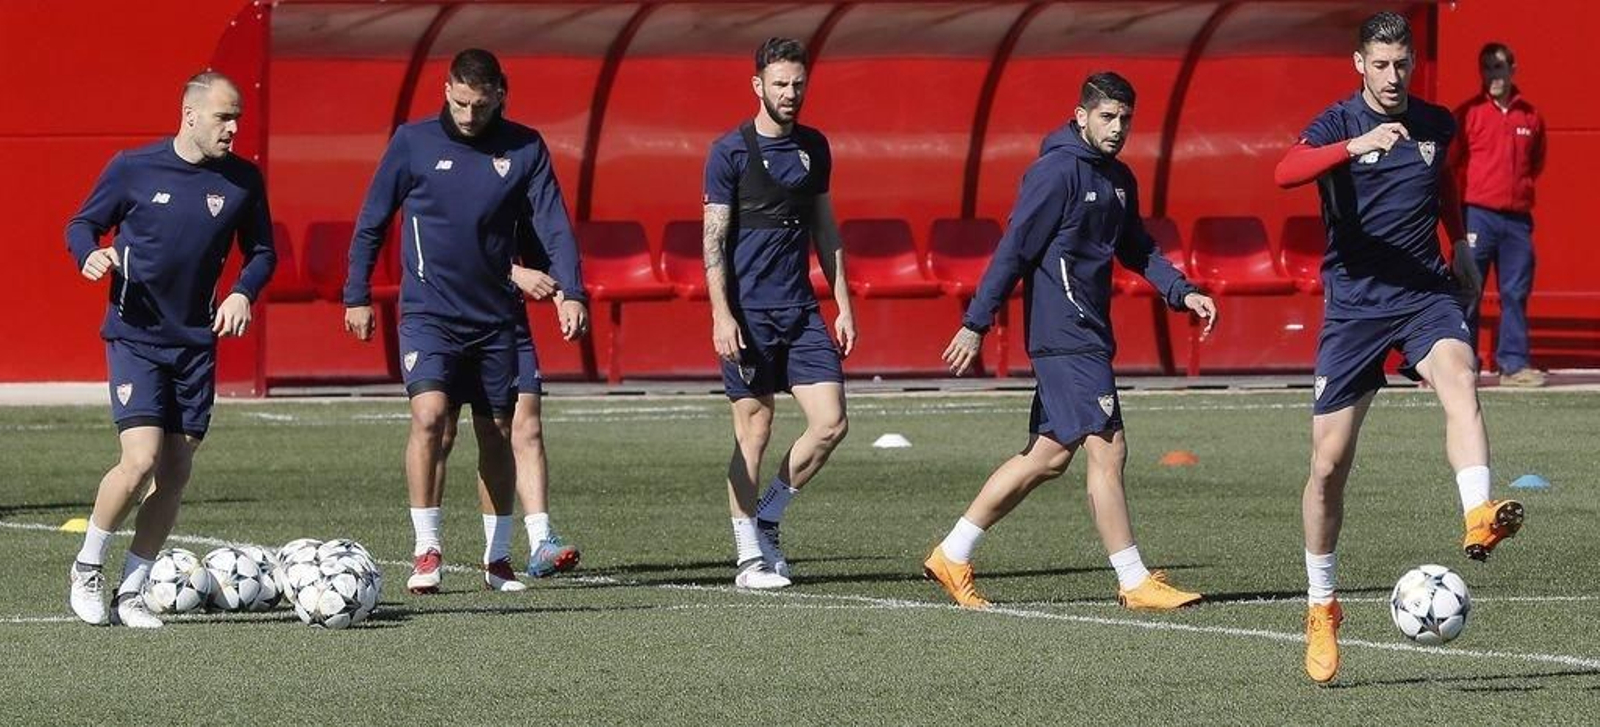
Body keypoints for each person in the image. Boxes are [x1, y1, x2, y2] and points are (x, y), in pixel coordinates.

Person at [1273, 12, 1525, 685]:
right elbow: (1285, 171)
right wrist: (1355, 148)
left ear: (1413, 64)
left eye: (1401, 65)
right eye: (1380, 65)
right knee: (1327, 466)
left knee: (1460, 376)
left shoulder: (1437, 124)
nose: (1392, 77)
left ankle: (1477, 513)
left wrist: (1463, 245)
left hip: (1423, 294)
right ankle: (1322, 605)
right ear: (1360, 63)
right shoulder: (1335, 122)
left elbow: (1444, 185)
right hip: (1354, 308)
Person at [925, 71, 1217, 613]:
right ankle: (1133, 580)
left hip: (1087, 332)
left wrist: (1182, 291)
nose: (1118, 127)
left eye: (1126, 118)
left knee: (1048, 457)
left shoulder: (1119, 179)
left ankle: (952, 552)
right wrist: (976, 321)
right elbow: (1014, 249)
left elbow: (1138, 248)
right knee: (1109, 448)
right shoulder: (1055, 173)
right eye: (1107, 117)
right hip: (1065, 333)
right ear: (1081, 116)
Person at [344, 49, 587, 594]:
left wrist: (571, 291)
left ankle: (498, 559)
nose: (469, 115)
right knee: (431, 417)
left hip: (497, 317)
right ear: (445, 89)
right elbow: (370, 222)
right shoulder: (413, 142)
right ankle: (426, 550)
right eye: (459, 102)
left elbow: (554, 224)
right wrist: (356, 294)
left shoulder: (525, 147)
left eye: (479, 104)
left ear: (501, 93)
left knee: (496, 430)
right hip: (430, 312)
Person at [65, 71, 276, 628]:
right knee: (139, 463)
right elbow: (82, 224)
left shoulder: (243, 181)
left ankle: (131, 591)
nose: (232, 127)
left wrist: (241, 291)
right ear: (189, 115)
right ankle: (88, 565)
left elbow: (261, 253)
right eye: (223, 117)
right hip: (134, 336)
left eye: (237, 118)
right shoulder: (134, 168)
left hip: (195, 345)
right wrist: (89, 254)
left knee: (176, 472)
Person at [701, 37, 856, 590]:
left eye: (798, 84)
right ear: (758, 86)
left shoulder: (816, 147)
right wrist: (722, 315)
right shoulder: (730, 152)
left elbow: (826, 230)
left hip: (801, 311)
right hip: (748, 316)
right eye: (780, 83)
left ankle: (767, 517)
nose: (790, 93)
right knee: (756, 428)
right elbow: (713, 242)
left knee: (832, 422)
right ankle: (748, 559)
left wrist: (842, 304)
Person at [1452, 42, 1547, 387]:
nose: (1494, 75)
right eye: (1488, 68)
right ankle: (1462, 365)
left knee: (1515, 292)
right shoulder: (1468, 114)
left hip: (1517, 220)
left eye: (1499, 67)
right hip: (1478, 215)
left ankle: (1513, 365)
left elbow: (1535, 163)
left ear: (1513, 68)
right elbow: (1451, 163)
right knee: (1468, 290)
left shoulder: (1531, 117)